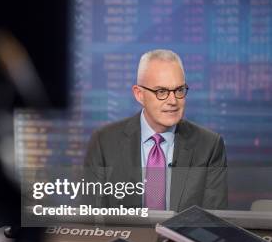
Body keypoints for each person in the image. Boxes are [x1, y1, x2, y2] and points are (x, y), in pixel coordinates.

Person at [84, 49, 227, 211]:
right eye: (162, 92)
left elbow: (214, 222)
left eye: (179, 90)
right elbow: (91, 218)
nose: (173, 101)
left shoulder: (209, 146)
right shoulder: (104, 142)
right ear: (139, 95)